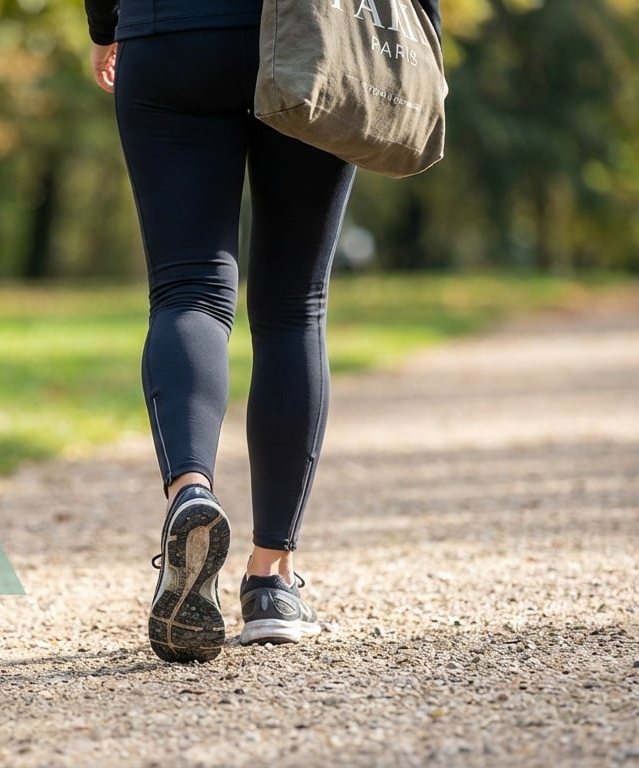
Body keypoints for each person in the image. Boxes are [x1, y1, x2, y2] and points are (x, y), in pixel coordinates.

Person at [83, 0, 440, 663]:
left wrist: (107, 25)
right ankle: (271, 579)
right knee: (293, 307)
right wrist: (422, 39)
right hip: (312, 33)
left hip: (169, 34)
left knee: (188, 291)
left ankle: (190, 493)